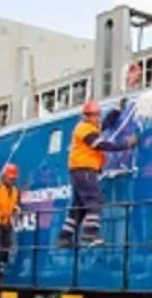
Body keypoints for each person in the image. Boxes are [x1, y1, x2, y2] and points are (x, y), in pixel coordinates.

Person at [57, 100, 136, 248]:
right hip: (85, 170)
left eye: (98, 115)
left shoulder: (90, 127)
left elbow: (105, 125)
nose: (98, 118)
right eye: (95, 115)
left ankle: (64, 237)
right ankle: (90, 234)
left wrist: (117, 111)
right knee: (95, 200)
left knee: (79, 206)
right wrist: (126, 144)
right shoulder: (85, 130)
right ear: (87, 116)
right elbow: (100, 144)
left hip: (80, 171)